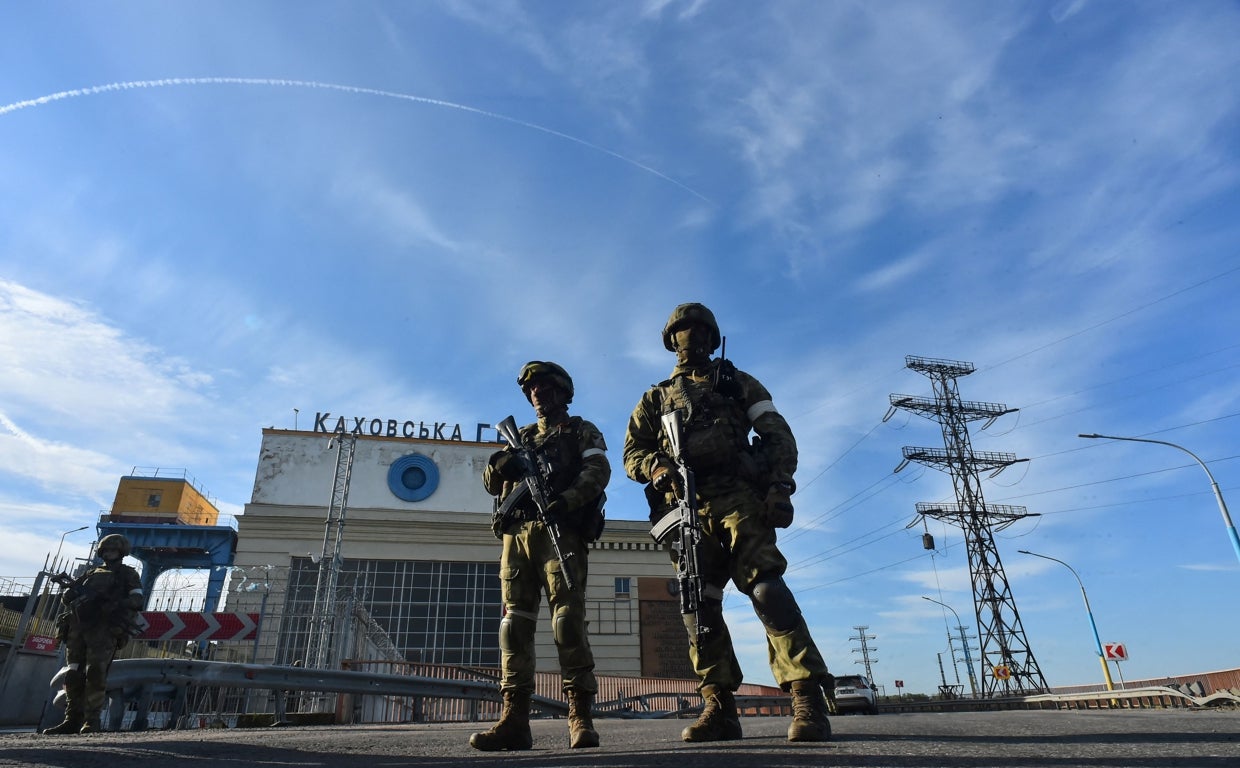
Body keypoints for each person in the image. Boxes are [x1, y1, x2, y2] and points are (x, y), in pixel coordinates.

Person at [623, 303, 833, 743]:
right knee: (698, 602)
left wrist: (779, 486)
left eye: (700, 331)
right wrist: (657, 468)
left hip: (738, 497)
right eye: (682, 331)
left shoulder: (738, 383)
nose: (691, 338)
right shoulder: (655, 397)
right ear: (671, 340)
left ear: (713, 338)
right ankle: (718, 705)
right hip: (685, 506)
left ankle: (806, 697)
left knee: (766, 589)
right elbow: (632, 454)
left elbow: (776, 433)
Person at [470, 361, 611, 751]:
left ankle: (580, 716)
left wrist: (567, 500)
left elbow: (598, 469)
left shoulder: (581, 430)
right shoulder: (522, 437)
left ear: (564, 392)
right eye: (532, 390)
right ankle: (514, 719)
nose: (538, 395)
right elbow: (490, 482)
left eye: (546, 388)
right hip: (517, 535)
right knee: (513, 626)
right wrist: (499, 465)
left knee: (567, 621)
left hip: (560, 529)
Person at [43, 533, 144, 735]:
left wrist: (114, 604)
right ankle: (71, 720)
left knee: (95, 674)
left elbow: (138, 600)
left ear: (122, 552)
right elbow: (67, 599)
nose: (109, 553)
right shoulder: (90, 573)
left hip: (104, 630)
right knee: (72, 673)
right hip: (78, 629)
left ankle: (91, 721)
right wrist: (69, 594)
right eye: (106, 550)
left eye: (113, 550)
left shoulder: (127, 574)